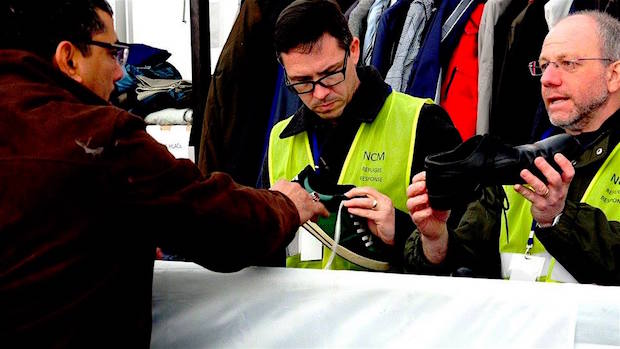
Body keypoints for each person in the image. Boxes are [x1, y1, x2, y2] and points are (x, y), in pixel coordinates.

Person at [0, 0, 329, 346]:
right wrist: (284, 204)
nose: (119, 73)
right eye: (112, 53)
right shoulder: (100, 137)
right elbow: (217, 223)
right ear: (69, 58)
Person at [405, 11, 620, 284]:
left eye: (568, 63)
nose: (547, 79)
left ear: (614, 75)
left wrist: (560, 219)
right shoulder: (522, 158)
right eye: (544, 66)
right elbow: (466, 266)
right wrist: (436, 239)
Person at [258, 0, 462, 271]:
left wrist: (401, 231)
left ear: (354, 51)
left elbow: (470, 254)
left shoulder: (422, 121)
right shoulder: (279, 139)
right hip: (299, 311)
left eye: (330, 74)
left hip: (394, 311)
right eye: (302, 82)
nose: (320, 93)